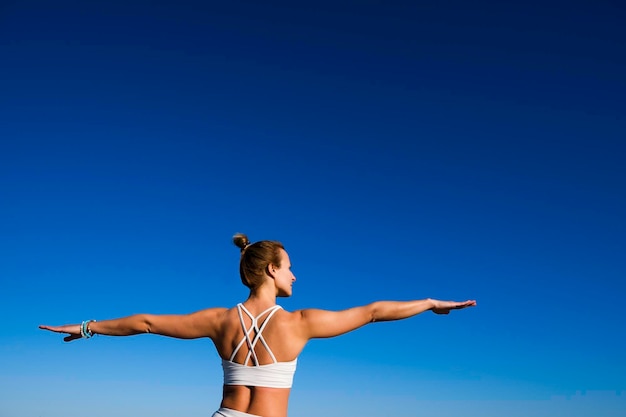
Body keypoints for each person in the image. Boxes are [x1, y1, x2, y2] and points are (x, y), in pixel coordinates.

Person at [40, 233, 476, 417]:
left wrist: (86, 327)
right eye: (289, 267)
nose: (295, 275)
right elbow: (375, 311)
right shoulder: (300, 323)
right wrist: (431, 303)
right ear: (270, 269)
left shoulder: (218, 320)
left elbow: (148, 322)